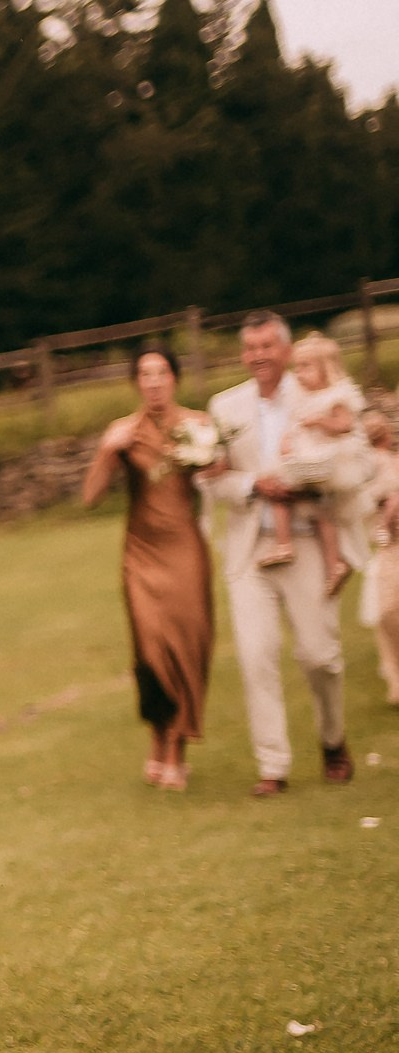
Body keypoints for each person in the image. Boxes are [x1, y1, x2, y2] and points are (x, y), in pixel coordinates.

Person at [198, 312, 354, 795]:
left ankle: (333, 739)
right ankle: (273, 765)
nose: (258, 356)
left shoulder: (316, 393)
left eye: (267, 346)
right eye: (250, 347)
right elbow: (213, 479)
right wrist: (253, 484)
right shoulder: (225, 407)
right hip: (251, 548)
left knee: (319, 655)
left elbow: (351, 458)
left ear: (286, 350)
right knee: (256, 656)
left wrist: (303, 481)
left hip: (306, 540)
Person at [80, 346, 217, 790]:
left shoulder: (198, 425)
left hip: (185, 550)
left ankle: (176, 747)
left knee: (187, 644)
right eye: (145, 374)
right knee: (150, 651)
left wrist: (210, 459)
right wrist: (107, 452)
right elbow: (90, 497)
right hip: (141, 553)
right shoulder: (124, 431)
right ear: (136, 382)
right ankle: (159, 738)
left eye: (161, 373)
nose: (154, 382)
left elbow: (221, 476)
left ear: (175, 378)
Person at [253, 332, 372, 595]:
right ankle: (286, 543)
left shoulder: (336, 396)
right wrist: (287, 441)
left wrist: (321, 421)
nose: (298, 374)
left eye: (306, 367)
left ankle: (334, 563)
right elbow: (293, 425)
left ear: (326, 368)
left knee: (323, 514)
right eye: (296, 367)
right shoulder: (299, 397)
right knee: (280, 492)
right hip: (304, 459)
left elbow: (346, 425)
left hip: (328, 459)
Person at [362, 410, 399, 705]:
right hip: (387, 547)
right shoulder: (365, 467)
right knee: (387, 612)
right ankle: (395, 679)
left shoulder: (393, 462)